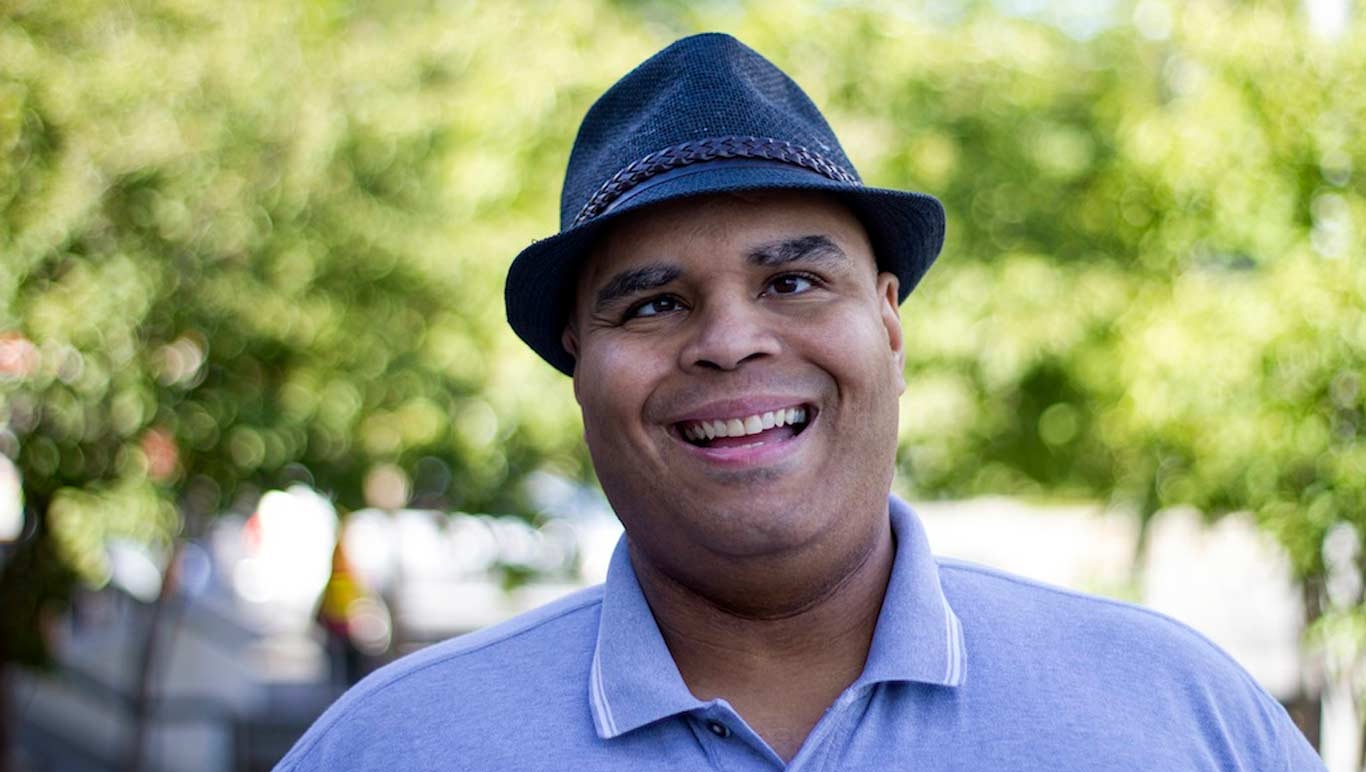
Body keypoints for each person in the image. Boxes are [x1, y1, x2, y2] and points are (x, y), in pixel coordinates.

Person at [275, 33, 1323, 771]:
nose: (730, 340)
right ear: (578, 364)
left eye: (791, 282)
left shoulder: (1179, 716)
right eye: (653, 303)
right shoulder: (393, 746)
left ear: (892, 328)